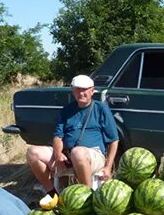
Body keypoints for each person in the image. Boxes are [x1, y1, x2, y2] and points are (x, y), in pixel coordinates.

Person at [27, 74, 119, 207]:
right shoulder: (67, 110)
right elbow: (58, 136)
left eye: (84, 89)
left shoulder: (101, 109)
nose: (81, 93)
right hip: (67, 155)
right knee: (33, 152)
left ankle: (86, 198)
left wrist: (108, 167)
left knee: (78, 152)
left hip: (93, 155)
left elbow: (114, 140)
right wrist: (58, 154)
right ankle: (53, 194)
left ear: (92, 91)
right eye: (77, 89)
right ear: (73, 91)